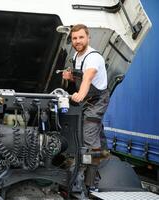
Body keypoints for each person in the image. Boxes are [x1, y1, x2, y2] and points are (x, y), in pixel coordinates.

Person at [62, 24, 110, 189]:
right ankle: (100, 163)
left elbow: (88, 77)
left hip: (96, 101)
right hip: (86, 101)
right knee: (92, 137)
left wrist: (80, 95)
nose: (77, 41)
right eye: (74, 38)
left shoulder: (93, 57)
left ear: (88, 37)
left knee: (89, 139)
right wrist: (69, 78)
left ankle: (89, 182)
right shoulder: (76, 55)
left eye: (81, 37)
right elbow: (79, 78)